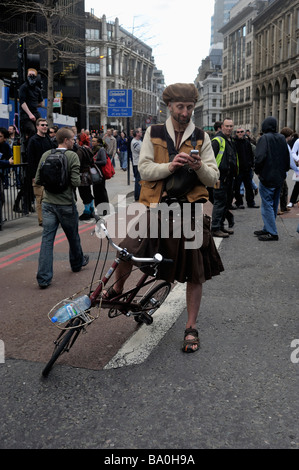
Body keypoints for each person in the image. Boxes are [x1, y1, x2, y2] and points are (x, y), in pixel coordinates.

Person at [102, 83, 223, 353]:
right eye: (180, 107)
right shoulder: (153, 132)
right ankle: (118, 288)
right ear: (169, 106)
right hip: (158, 206)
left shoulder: (202, 137)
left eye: (190, 107)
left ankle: (190, 327)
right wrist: (169, 166)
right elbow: (143, 169)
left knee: (195, 272)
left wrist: (199, 166)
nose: (185, 112)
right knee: (127, 250)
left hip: (190, 210)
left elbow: (213, 178)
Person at [35, 127, 89, 289]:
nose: (74, 141)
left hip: (48, 204)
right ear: (65, 140)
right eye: (72, 139)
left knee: (47, 240)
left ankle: (43, 278)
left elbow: (38, 179)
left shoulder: (46, 154)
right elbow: (75, 182)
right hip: (65, 204)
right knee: (73, 236)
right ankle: (76, 263)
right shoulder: (72, 156)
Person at [254, 117, 290, 241]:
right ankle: (268, 227)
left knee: (267, 205)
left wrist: (257, 171)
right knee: (274, 204)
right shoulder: (281, 138)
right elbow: (287, 156)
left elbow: (259, 157)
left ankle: (272, 232)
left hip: (267, 176)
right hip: (279, 176)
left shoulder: (264, 138)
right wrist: (284, 172)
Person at [211, 118, 238, 238]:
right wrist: (214, 175)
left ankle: (221, 226)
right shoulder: (217, 140)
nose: (229, 128)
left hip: (228, 178)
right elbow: (210, 160)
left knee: (225, 203)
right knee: (219, 203)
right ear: (222, 126)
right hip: (219, 178)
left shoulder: (229, 140)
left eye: (231, 126)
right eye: (227, 126)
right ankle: (215, 228)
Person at [27, 118, 55, 225]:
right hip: (38, 175)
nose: (45, 127)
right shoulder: (33, 140)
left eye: (46, 125)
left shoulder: (48, 139)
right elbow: (31, 159)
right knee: (40, 198)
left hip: (49, 174)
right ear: (37, 126)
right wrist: (34, 175)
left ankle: (50, 218)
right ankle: (42, 220)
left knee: (50, 198)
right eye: (42, 125)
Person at [233, 126, 259, 209]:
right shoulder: (234, 142)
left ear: (244, 133)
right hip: (238, 169)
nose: (240, 133)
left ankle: (251, 202)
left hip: (247, 168)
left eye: (241, 131)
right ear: (236, 133)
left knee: (249, 186)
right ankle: (239, 202)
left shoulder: (247, 142)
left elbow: (251, 154)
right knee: (237, 187)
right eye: (238, 132)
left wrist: (251, 164)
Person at [18, 68, 43, 139]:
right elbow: (22, 102)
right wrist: (30, 114)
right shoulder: (23, 87)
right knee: (32, 130)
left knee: (43, 127)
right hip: (25, 115)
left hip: (35, 112)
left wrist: (33, 105)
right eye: (30, 75)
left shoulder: (38, 89)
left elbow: (41, 103)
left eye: (33, 75)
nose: (31, 77)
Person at [76, 133, 95, 220]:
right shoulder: (88, 149)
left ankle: (87, 212)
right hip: (88, 174)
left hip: (82, 175)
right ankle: (91, 210)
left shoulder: (80, 151)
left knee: (84, 193)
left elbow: (77, 163)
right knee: (88, 192)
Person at [93, 138, 109, 213]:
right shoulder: (94, 149)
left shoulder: (101, 150)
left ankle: (105, 209)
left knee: (101, 191)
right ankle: (99, 209)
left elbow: (104, 161)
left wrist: (94, 162)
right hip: (95, 173)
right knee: (96, 191)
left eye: (94, 141)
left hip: (100, 173)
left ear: (98, 142)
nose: (92, 142)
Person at [287, 135, 299, 208]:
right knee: (298, 184)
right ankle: (292, 201)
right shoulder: (298, 141)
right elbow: (293, 152)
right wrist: (297, 159)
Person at [131, 128, 142, 201]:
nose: (141, 133)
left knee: (140, 180)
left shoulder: (139, 141)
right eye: (140, 132)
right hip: (137, 163)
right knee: (138, 180)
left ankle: (139, 195)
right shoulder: (134, 142)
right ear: (137, 133)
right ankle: (137, 196)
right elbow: (142, 150)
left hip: (140, 162)